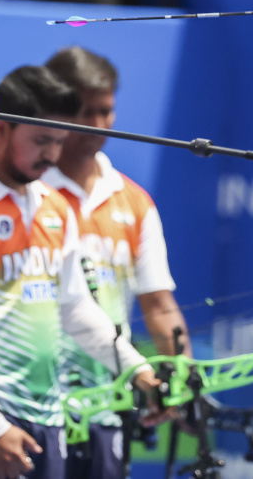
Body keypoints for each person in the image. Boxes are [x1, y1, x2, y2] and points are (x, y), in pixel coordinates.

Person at [0, 65, 162, 479]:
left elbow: (75, 308)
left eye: (59, 141)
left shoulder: (55, 206)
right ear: (1, 129)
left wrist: (137, 370)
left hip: (46, 420)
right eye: (42, 140)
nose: (53, 155)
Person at [43, 46, 190, 479]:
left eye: (105, 111)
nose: (98, 124)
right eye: (84, 111)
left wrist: (181, 382)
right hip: (33, 403)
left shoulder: (134, 201)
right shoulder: (27, 194)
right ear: (53, 110)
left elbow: (159, 307)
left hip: (108, 403)